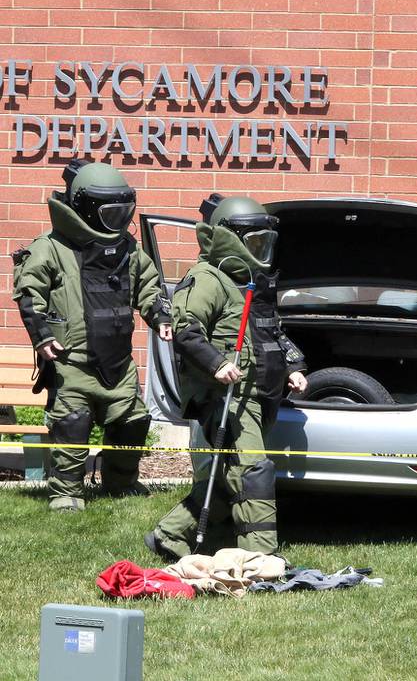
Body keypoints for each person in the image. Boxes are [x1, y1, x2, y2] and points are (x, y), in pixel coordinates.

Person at [146, 194, 307, 560]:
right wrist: (217, 363)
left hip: (261, 392)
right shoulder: (206, 279)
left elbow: (272, 332)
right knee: (253, 471)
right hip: (227, 396)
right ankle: (259, 557)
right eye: (255, 243)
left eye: (267, 243)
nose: (262, 251)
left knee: (229, 475)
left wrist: (295, 367)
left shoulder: (257, 281)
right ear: (230, 239)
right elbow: (186, 329)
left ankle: (169, 535)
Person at [12, 160, 173, 511]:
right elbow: (28, 293)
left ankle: (121, 483)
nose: (118, 221)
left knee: (133, 422)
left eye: (122, 213)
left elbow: (148, 286)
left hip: (119, 364)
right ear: (86, 208)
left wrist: (160, 315)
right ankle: (66, 493)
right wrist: (41, 337)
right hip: (72, 363)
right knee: (72, 425)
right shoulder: (51, 248)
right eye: (110, 213)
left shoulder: (129, 251)